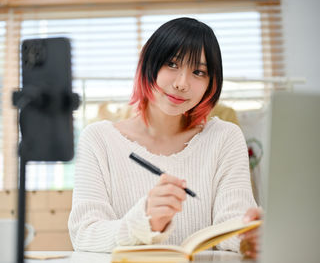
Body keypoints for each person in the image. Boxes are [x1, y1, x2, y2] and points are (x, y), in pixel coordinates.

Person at [68, 17, 261, 259]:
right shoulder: (98, 139)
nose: (182, 84)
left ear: (211, 83)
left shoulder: (225, 137)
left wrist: (249, 235)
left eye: (198, 72)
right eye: (172, 64)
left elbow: (232, 222)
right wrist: (144, 220)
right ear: (148, 64)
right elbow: (84, 234)